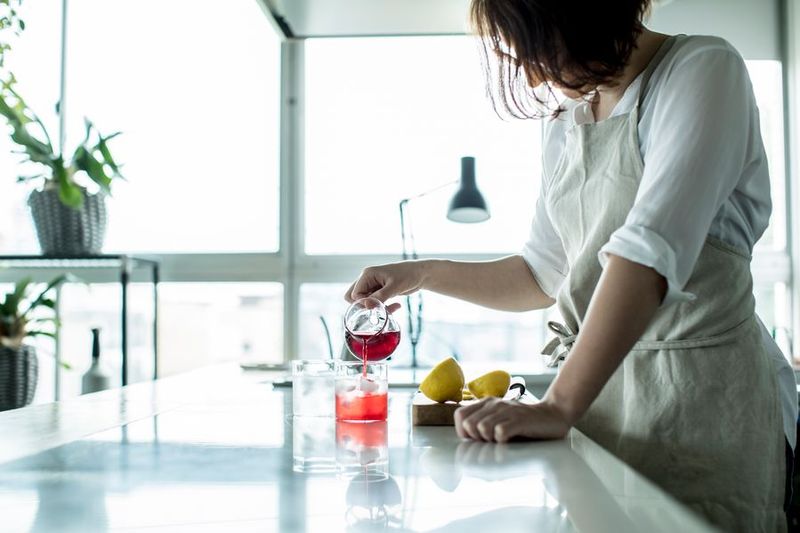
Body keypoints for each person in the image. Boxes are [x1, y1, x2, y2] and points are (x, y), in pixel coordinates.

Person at [344, 1, 796, 531]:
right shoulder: (567, 119)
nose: (535, 74)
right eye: (521, 57)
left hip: (702, 404)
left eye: (540, 50)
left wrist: (558, 405)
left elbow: (648, 253)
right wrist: (421, 273)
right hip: (599, 409)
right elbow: (544, 274)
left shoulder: (702, 69)